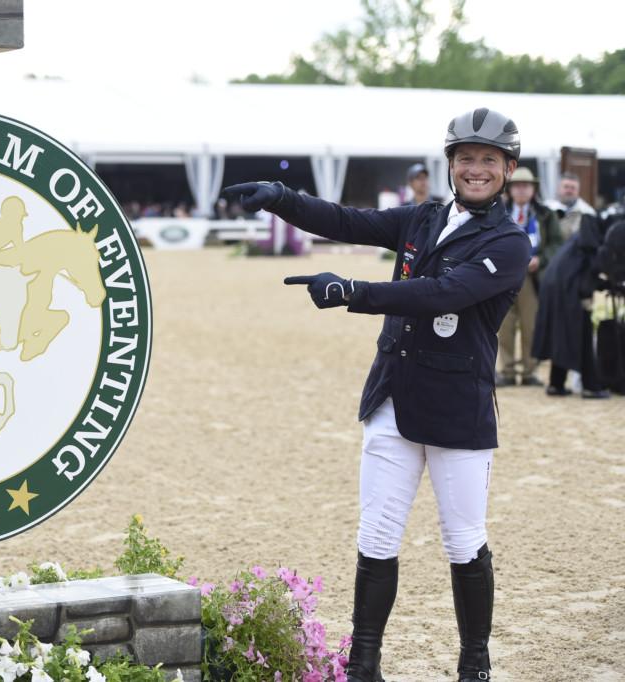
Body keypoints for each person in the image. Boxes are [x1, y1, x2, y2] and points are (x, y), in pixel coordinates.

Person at [222, 108, 531, 682]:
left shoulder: (510, 243)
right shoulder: (421, 218)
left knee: (463, 540)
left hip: (456, 407)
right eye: (466, 158)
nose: (476, 169)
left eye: (489, 159)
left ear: (508, 168)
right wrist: (281, 197)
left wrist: (352, 291)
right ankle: (363, 664)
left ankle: (474, 665)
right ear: (451, 164)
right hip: (393, 394)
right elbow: (348, 220)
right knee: (377, 534)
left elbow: (443, 292)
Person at [531, 194, 613, 399]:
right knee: (582, 331)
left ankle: (556, 384)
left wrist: (601, 283)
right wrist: (609, 282)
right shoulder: (593, 233)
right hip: (568, 288)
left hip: (554, 284)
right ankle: (591, 387)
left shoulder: (586, 229)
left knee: (563, 332)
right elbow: (594, 264)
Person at [495, 167, 562, 387]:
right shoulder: (498, 212)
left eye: (526, 186)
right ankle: (506, 370)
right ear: (511, 189)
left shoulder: (545, 214)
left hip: (532, 277)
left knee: (531, 324)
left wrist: (541, 259)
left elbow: (556, 243)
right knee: (504, 324)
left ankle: (529, 371)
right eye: (517, 185)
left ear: (534, 189)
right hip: (504, 277)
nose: (522, 189)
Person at [546, 172, 598, 241]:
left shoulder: (587, 212)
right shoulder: (546, 208)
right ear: (559, 189)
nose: (569, 191)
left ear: (578, 191)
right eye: (566, 187)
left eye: (573, 188)